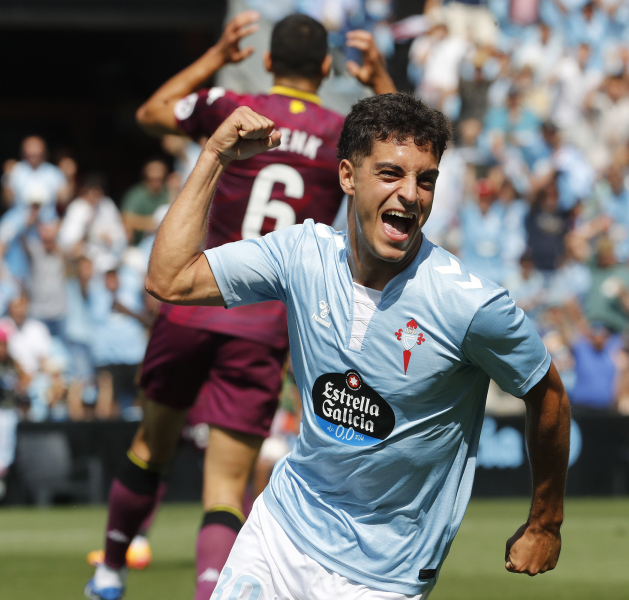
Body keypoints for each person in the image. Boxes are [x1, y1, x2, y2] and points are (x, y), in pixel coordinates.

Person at [144, 97, 569, 598]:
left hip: (383, 575)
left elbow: (548, 392)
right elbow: (169, 278)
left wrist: (546, 522)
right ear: (347, 176)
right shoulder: (300, 255)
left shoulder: (469, 305)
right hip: (280, 532)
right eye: (391, 173)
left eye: (426, 179)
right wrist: (214, 153)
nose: (411, 194)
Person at [85, 12, 396, 600]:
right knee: (226, 486)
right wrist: (382, 79)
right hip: (264, 320)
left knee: (151, 444)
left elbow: (152, 112)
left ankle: (109, 571)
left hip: (193, 298)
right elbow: (402, 156)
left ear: (268, 62)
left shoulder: (234, 104)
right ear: (327, 68)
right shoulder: (341, 133)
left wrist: (214, 57)